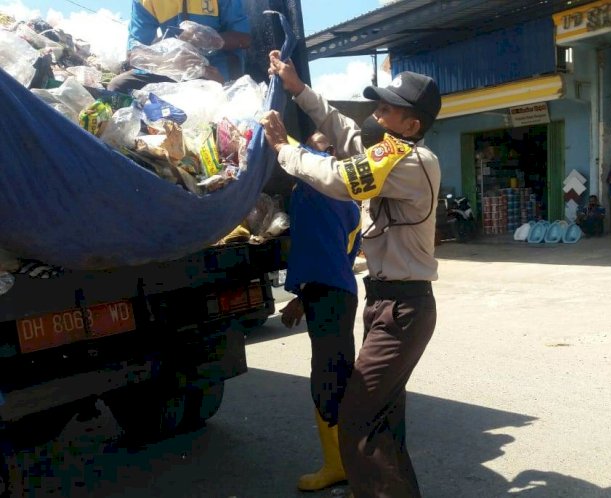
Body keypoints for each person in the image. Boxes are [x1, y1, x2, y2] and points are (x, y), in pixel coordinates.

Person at [261, 50, 441, 498]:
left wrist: (286, 150)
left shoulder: (410, 162)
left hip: (403, 308)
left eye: (387, 109)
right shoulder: (392, 155)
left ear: (411, 124)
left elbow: (340, 177)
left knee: (358, 419)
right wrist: (298, 89)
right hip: (386, 304)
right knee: (382, 423)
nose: (376, 114)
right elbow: (344, 132)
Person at [279, 127, 381, 492]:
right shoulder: (343, 200)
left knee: (329, 379)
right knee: (333, 372)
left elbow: (306, 165)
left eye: (329, 148)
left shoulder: (320, 188)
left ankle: (342, 466)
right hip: (331, 291)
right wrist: (301, 298)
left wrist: (278, 137)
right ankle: (345, 462)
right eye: (318, 147)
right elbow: (328, 256)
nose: (326, 152)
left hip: (331, 295)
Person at [107, 0, 251, 94]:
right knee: (118, 86)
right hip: (171, 69)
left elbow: (244, 39)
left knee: (210, 97)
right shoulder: (144, 2)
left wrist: (210, 40)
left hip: (215, 68)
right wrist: (168, 61)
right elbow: (134, 53)